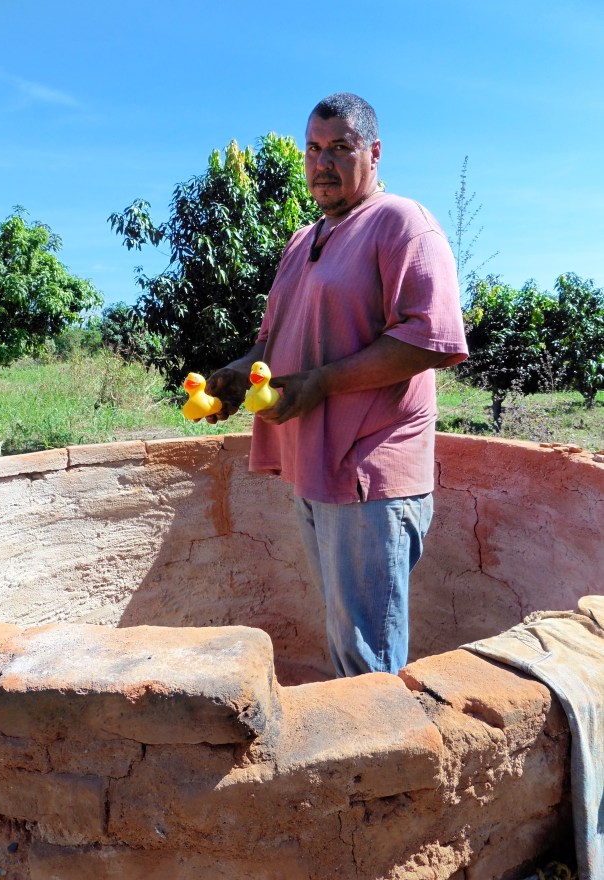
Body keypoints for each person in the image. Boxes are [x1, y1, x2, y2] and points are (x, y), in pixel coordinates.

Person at [204, 92, 468, 677]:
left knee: (366, 655)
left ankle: (387, 766)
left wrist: (319, 384)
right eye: (314, 149)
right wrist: (233, 377)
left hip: (369, 475)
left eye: (340, 148)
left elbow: (431, 339)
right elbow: (272, 342)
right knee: (347, 638)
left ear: (373, 153)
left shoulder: (403, 224)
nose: (323, 162)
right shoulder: (303, 240)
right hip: (315, 468)